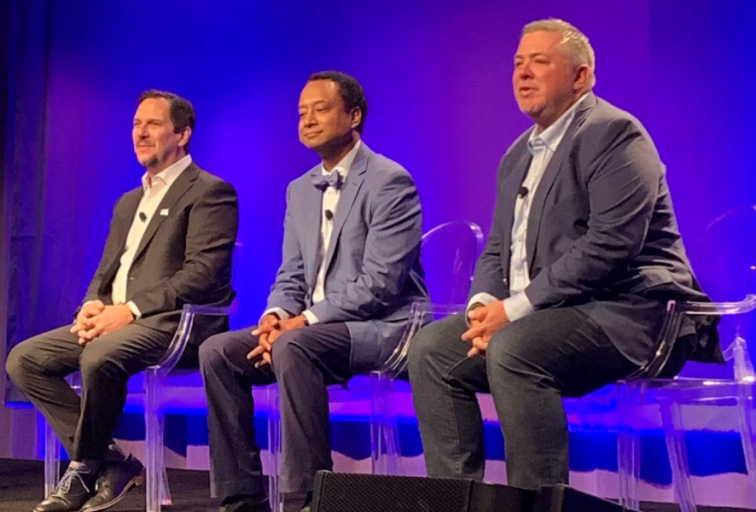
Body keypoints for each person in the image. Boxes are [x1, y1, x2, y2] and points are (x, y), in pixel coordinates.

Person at [408, 18, 719, 490]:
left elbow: (611, 244)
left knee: (515, 350)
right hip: (556, 312)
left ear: (582, 76)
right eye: (517, 64)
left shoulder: (616, 133)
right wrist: (482, 308)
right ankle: (456, 500)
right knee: (431, 350)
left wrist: (512, 312)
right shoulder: (517, 154)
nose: (523, 73)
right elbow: (498, 245)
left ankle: (536, 504)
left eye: (540, 62)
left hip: (635, 314)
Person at [200, 71, 424, 512]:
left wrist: (302, 321)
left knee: (295, 346)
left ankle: (309, 496)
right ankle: (241, 494)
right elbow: (291, 273)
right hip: (307, 329)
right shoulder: (299, 189)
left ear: (354, 115)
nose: (308, 120)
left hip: (381, 327)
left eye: (320, 109)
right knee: (217, 352)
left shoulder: (389, 181)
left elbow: (379, 285)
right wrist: (274, 316)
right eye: (302, 112)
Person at [6, 90, 239, 512]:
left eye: (152, 124)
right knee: (24, 359)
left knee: (98, 356)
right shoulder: (129, 201)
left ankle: (82, 467)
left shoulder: (210, 191)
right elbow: (107, 269)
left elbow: (202, 276)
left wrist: (129, 310)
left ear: (182, 134)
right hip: (118, 322)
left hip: (177, 324)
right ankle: (113, 461)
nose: (140, 132)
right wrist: (91, 304)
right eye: (136, 124)